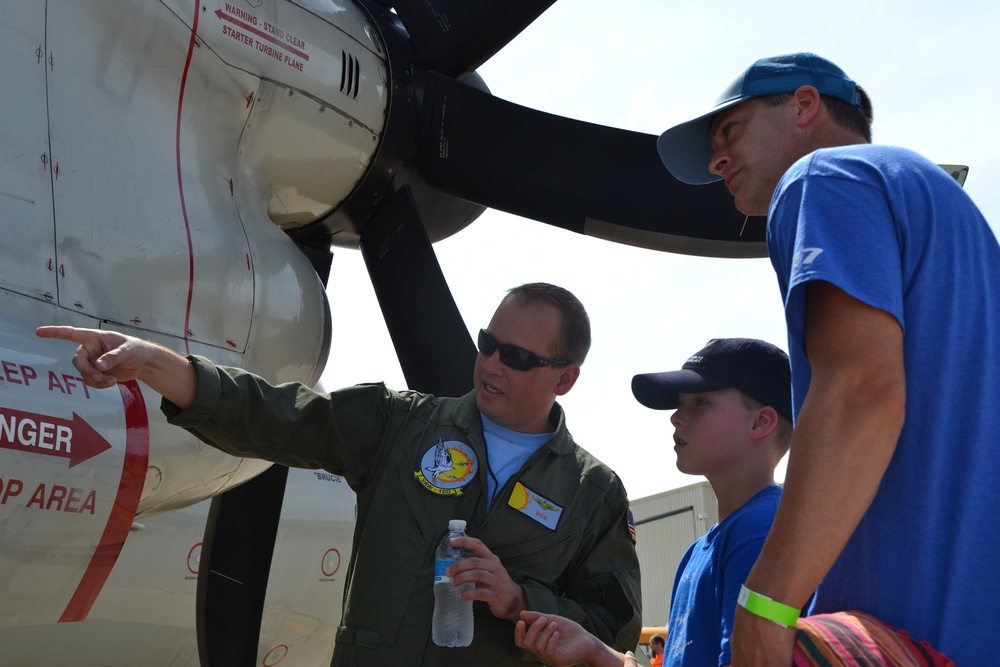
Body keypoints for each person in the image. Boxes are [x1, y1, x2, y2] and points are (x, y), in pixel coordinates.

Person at [37, 282, 642, 666]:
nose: (490, 364)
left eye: (518, 358)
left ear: (564, 378)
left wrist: (518, 600)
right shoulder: (400, 425)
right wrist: (152, 361)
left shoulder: (592, 493)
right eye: (488, 343)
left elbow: (612, 632)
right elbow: (270, 415)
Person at [654, 53, 998, 665]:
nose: (717, 160)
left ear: (805, 105)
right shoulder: (952, 212)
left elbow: (862, 388)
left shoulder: (823, 176)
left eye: (730, 131)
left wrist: (766, 603)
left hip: (918, 634)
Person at [517, 338, 794, 667]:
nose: (677, 417)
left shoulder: (762, 530)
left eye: (700, 402)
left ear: (761, 422)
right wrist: (597, 651)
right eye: (680, 403)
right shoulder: (699, 551)